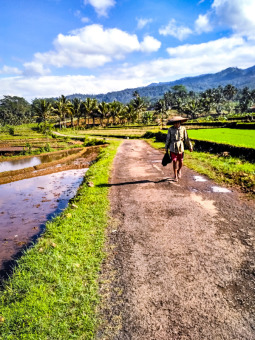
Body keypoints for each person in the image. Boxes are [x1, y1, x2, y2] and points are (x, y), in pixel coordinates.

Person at [165, 116, 193, 182]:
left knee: (181, 161)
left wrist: (190, 146)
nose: (176, 124)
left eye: (178, 123)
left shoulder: (183, 129)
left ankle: (179, 170)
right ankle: (175, 176)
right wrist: (166, 147)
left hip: (181, 147)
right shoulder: (170, 129)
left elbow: (186, 138)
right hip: (172, 147)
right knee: (174, 161)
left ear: (180, 123)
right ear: (173, 123)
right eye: (175, 123)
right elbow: (168, 139)